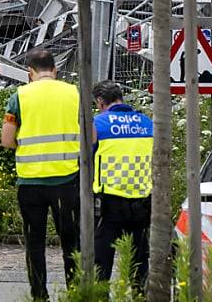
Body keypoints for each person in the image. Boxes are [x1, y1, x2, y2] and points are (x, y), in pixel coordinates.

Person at [0, 49, 81, 301]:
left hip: (30, 182)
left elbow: (6, 139)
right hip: (66, 180)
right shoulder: (73, 93)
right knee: (71, 241)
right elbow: (89, 132)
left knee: (34, 241)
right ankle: (76, 291)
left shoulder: (19, 96)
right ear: (55, 70)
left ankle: (39, 295)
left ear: (30, 73)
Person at [90, 81, 152, 289]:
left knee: (102, 260)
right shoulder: (146, 122)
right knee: (139, 259)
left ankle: (100, 295)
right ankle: (139, 295)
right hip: (142, 200)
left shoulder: (97, 124)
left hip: (109, 201)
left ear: (100, 102)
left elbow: (86, 158)